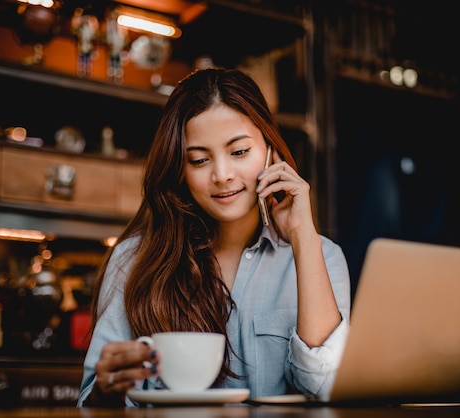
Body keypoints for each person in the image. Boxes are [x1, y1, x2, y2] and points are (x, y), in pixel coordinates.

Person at [77, 67, 351, 407]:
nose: (222, 175)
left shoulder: (321, 256)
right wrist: (107, 389)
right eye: (200, 159)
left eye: (239, 152)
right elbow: (90, 403)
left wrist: (302, 237)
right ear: (180, 168)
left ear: (270, 152)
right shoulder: (134, 259)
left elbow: (329, 388)